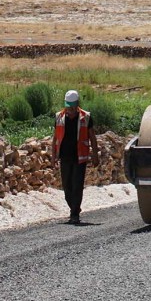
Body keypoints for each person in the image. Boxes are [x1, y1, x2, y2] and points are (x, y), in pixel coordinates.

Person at [51, 90, 93, 225]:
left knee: (77, 185)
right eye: (68, 106)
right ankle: (74, 207)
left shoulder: (86, 117)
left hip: (80, 157)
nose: (70, 109)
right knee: (66, 186)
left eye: (73, 106)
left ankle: (74, 213)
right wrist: (53, 157)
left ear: (77, 104)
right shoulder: (59, 117)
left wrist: (96, 154)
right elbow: (55, 138)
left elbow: (92, 137)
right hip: (65, 157)